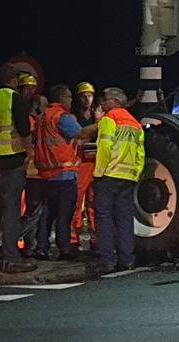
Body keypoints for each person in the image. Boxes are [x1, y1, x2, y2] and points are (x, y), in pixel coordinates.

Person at [0, 64, 36, 273]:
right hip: (12, 161)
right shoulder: (13, 98)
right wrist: (30, 152)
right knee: (11, 211)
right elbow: (23, 128)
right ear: (13, 80)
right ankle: (11, 258)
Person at [92, 87, 144, 273]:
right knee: (124, 219)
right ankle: (127, 259)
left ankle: (108, 260)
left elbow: (105, 147)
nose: (102, 103)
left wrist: (99, 172)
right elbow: (140, 154)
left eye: (104, 99)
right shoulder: (135, 124)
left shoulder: (110, 119)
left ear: (114, 101)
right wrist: (135, 173)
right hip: (128, 178)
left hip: (108, 176)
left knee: (104, 218)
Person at [34, 85, 85, 260]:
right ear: (62, 98)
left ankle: (42, 248)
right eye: (69, 97)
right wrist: (99, 123)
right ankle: (65, 249)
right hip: (64, 171)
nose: (72, 100)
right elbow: (80, 133)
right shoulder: (61, 116)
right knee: (64, 214)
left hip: (45, 173)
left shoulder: (42, 117)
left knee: (47, 215)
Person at [17, 73, 46, 258]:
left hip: (35, 169)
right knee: (34, 210)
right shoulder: (30, 119)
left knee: (35, 210)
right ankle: (11, 240)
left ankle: (29, 245)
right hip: (30, 170)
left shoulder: (34, 119)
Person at [70, 81, 99, 252]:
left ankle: (96, 238)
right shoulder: (73, 118)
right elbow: (78, 136)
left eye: (89, 96)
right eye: (83, 96)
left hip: (95, 163)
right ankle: (74, 238)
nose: (87, 99)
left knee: (94, 202)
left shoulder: (98, 117)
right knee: (77, 200)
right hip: (80, 162)